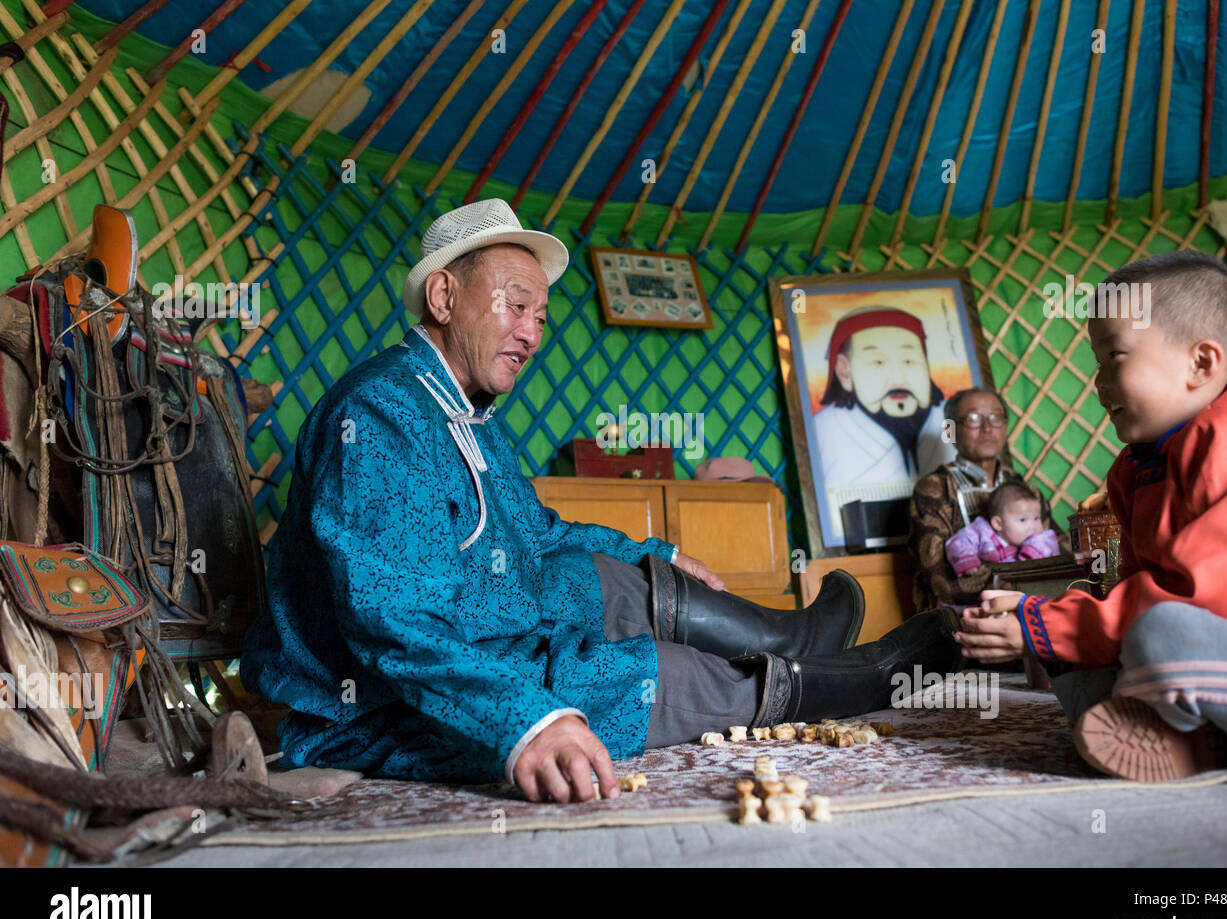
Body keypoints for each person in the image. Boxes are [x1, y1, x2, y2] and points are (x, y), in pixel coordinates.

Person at [241, 198, 960, 804]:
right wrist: (529, 719)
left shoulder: (465, 414)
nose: (532, 331)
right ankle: (861, 682)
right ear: (444, 297)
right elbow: (390, 618)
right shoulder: (382, 414)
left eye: (541, 315)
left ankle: (790, 639)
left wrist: (660, 554)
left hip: (482, 624)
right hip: (376, 705)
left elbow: (537, 533)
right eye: (516, 305)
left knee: (588, 572)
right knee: (642, 675)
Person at [955, 250, 1227, 781]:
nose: (1098, 383)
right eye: (1097, 364)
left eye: (1114, 357)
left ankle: (1217, 736)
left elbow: (1200, 597)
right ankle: (1202, 746)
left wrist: (1051, 624)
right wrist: (1039, 619)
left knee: (1158, 632)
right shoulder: (1135, 470)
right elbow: (1134, 588)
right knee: (1077, 665)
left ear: (1201, 363)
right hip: (1209, 669)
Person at [908, 388, 1069, 611]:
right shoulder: (934, 488)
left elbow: (1057, 546)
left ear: (1005, 427)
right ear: (951, 430)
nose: (987, 428)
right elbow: (940, 578)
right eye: (973, 419)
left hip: (1026, 606)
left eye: (995, 418)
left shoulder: (1022, 486)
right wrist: (1016, 580)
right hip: (962, 615)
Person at [813, 308, 956, 491]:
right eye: (878, 362)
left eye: (909, 361)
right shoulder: (823, 428)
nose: (898, 379)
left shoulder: (954, 419)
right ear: (844, 371)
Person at [944, 480, 1060, 577]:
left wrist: (1031, 552)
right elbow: (960, 542)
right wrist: (969, 563)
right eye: (1023, 520)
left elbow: (1049, 553)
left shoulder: (1043, 538)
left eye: (1036, 518)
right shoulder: (983, 531)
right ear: (998, 524)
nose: (1033, 526)